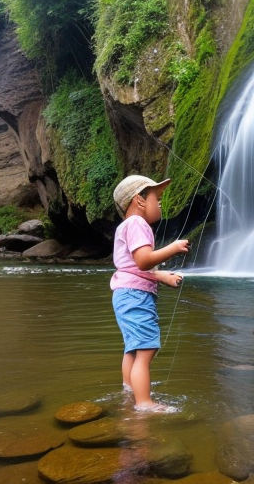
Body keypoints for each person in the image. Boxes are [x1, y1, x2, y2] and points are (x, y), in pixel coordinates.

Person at [110, 174, 190, 412]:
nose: (161, 203)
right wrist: (173, 248)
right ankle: (144, 403)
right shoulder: (137, 224)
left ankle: (130, 388)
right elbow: (144, 261)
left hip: (125, 292)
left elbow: (133, 266)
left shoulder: (126, 226)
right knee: (146, 349)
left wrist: (163, 277)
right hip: (135, 295)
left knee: (133, 348)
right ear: (140, 200)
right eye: (158, 197)